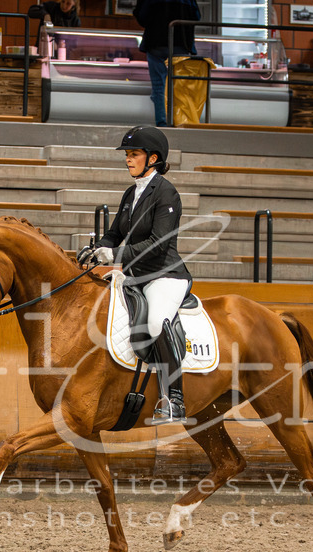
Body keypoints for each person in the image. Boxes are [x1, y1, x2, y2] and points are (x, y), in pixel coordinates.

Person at [79, 126, 192, 425]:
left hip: (164, 275)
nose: (128, 159)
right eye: (127, 155)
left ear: (153, 158)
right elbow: (115, 233)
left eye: (134, 154)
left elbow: (158, 244)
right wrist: (96, 249)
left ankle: (174, 399)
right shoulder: (132, 192)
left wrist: (114, 255)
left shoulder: (166, 193)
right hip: (134, 276)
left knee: (155, 322)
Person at [133, 0, 201, 128]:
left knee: (159, 85)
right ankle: (180, 121)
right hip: (181, 43)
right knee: (179, 86)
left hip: (156, 43)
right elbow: (196, 17)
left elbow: (142, 17)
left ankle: (163, 123)